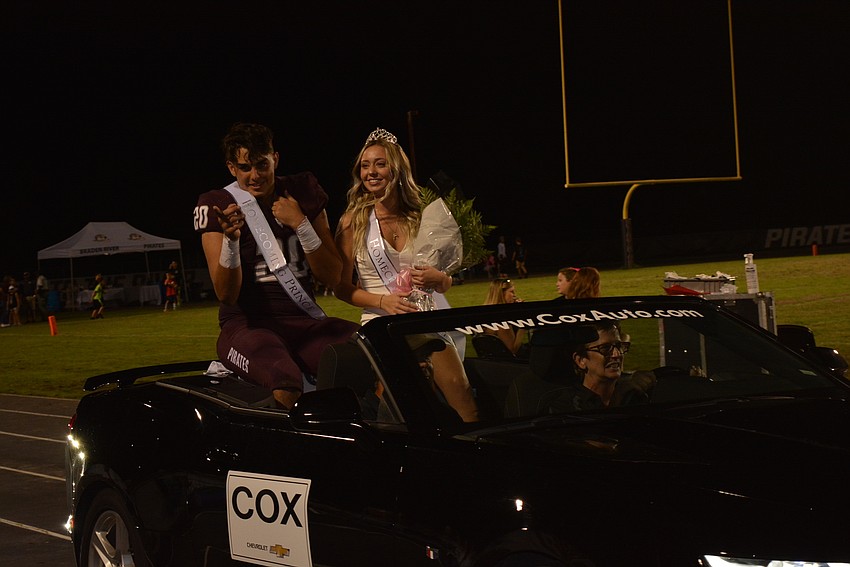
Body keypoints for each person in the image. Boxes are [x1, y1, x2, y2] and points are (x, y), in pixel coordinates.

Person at [194, 122, 359, 410]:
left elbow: (332, 276)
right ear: (232, 168)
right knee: (284, 378)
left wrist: (302, 225)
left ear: (276, 159)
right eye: (245, 167)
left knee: (374, 356)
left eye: (262, 165)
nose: (255, 176)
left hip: (306, 324)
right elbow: (226, 295)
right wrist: (231, 242)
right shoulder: (218, 203)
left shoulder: (301, 190)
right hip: (247, 326)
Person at [334, 127, 478, 422]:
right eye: (365, 165)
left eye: (380, 163)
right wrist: (383, 301)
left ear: (396, 169)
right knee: (403, 394)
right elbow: (340, 287)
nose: (371, 172)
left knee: (459, 387)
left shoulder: (423, 216)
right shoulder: (353, 221)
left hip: (424, 316)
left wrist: (440, 279)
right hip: (380, 319)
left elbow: (445, 281)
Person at [547, 322, 655, 411]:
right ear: (581, 360)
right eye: (605, 348)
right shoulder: (564, 407)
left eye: (619, 346)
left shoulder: (636, 394)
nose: (617, 354)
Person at [482, 277, 527, 355]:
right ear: (501, 294)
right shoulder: (501, 317)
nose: (514, 295)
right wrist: (524, 324)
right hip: (510, 361)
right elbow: (513, 349)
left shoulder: (485, 312)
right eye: (512, 292)